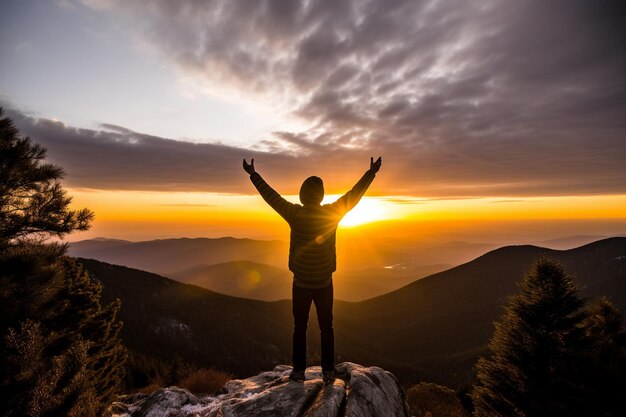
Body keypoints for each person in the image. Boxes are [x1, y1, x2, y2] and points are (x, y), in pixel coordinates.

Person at [242, 156, 382, 383]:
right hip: (324, 283)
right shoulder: (332, 213)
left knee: (300, 327)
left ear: (302, 195)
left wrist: (253, 175)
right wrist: (371, 173)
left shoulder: (294, 214)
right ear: (321, 196)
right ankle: (328, 371)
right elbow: (354, 195)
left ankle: (298, 371)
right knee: (327, 327)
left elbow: (271, 197)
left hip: (301, 284)